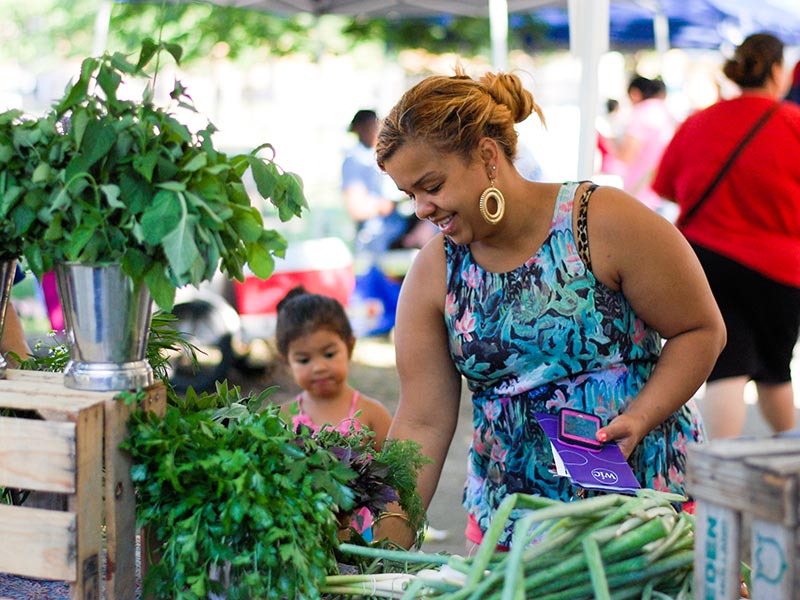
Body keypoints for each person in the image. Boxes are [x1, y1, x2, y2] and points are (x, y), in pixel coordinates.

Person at [370, 65, 726, 550]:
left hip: (645, 511)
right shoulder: (435, 270)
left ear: (488, 156)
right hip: (513, 529)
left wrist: (642, 416)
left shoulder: (600, 221)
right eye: (408, 194)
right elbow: (421, 422)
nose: (421, 209)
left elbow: (700, 330)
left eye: (431, 186)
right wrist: (377, 549)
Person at [653, 33, 800, 440]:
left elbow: (665, 186)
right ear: (775, 70)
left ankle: (722, 471)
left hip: (707, 261)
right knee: (775, 370)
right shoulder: (793, 124)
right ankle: (787, 464)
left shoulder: (699, 121)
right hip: (779, 268)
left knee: (727, 365)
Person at [275, 286, 393, 539]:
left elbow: (396, 483)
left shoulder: (371, 414)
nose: (319, 367)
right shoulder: (282, 418)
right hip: (303, 541)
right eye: (304, 360)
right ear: (286, 361)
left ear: (349, 346)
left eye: (329, 354)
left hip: (362, 543)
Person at [342, 109, 431, 254]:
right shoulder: (355, 161)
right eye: (367, 127)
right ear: (357, 129)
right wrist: (388, 202)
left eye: (375, 126)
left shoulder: (389, 152)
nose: (372, 130)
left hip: (405, 222)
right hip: (379, 236)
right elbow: (357, 208)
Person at [606, 75, 676, 218]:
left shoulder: (641, 114)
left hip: (641, 196)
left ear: (635, 93)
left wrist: (611, 142)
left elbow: (627, 156)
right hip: (663, 193)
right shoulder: (665, 112)